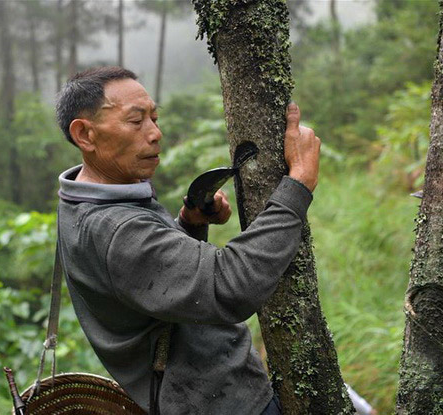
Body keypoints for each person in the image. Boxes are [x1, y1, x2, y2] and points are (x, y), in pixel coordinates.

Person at [54, 66, 320, 414]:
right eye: (136, 122)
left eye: (154, 118)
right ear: (85, 134)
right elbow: (229, 285)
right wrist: (297, 185)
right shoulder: (115, 229)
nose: (155, 134)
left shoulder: (84, 196)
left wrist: (188, 225)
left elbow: (146, 285)